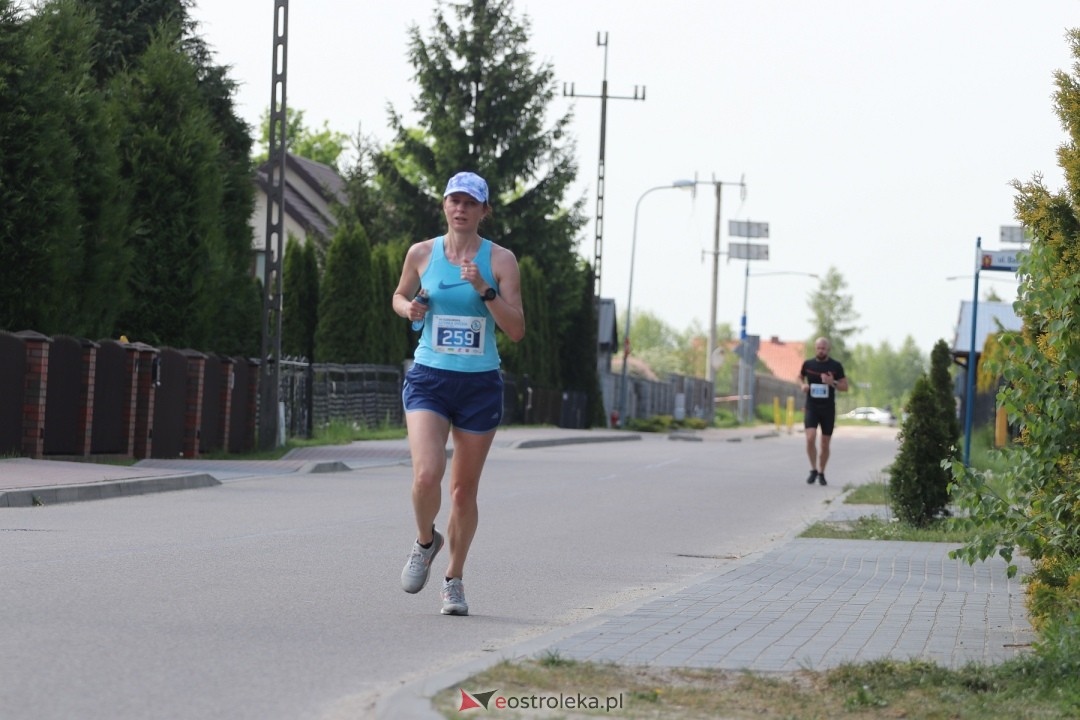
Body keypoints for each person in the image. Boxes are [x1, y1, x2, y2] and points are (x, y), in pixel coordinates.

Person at [391, 171, 525, 616]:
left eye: (471, 202)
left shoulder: (501, 260)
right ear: (444, 206)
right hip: (429, 375)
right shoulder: (422, 252)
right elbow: (398, 295)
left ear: (484, 211)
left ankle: (454, 578)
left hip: (479, 384)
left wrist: (484, 290)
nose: (461, 209)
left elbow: (517, 329)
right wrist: (408, 308)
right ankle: (426, 542)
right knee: (426, 476)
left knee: (464, 491)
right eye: (455, 201)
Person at [799, 337, 848, 486]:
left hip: (827, 409)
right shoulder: (808, 364)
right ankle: (813, 469)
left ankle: (821, 472)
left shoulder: (835, 366)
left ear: (828, 349)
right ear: (815, 348)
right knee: (810, 437)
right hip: (812, 406)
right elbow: (800, 377)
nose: (821, 351)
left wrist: (831, 382)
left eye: (824, 348)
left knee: (825, 443)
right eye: (819, 348)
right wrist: (803, 385)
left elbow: (845, 387)